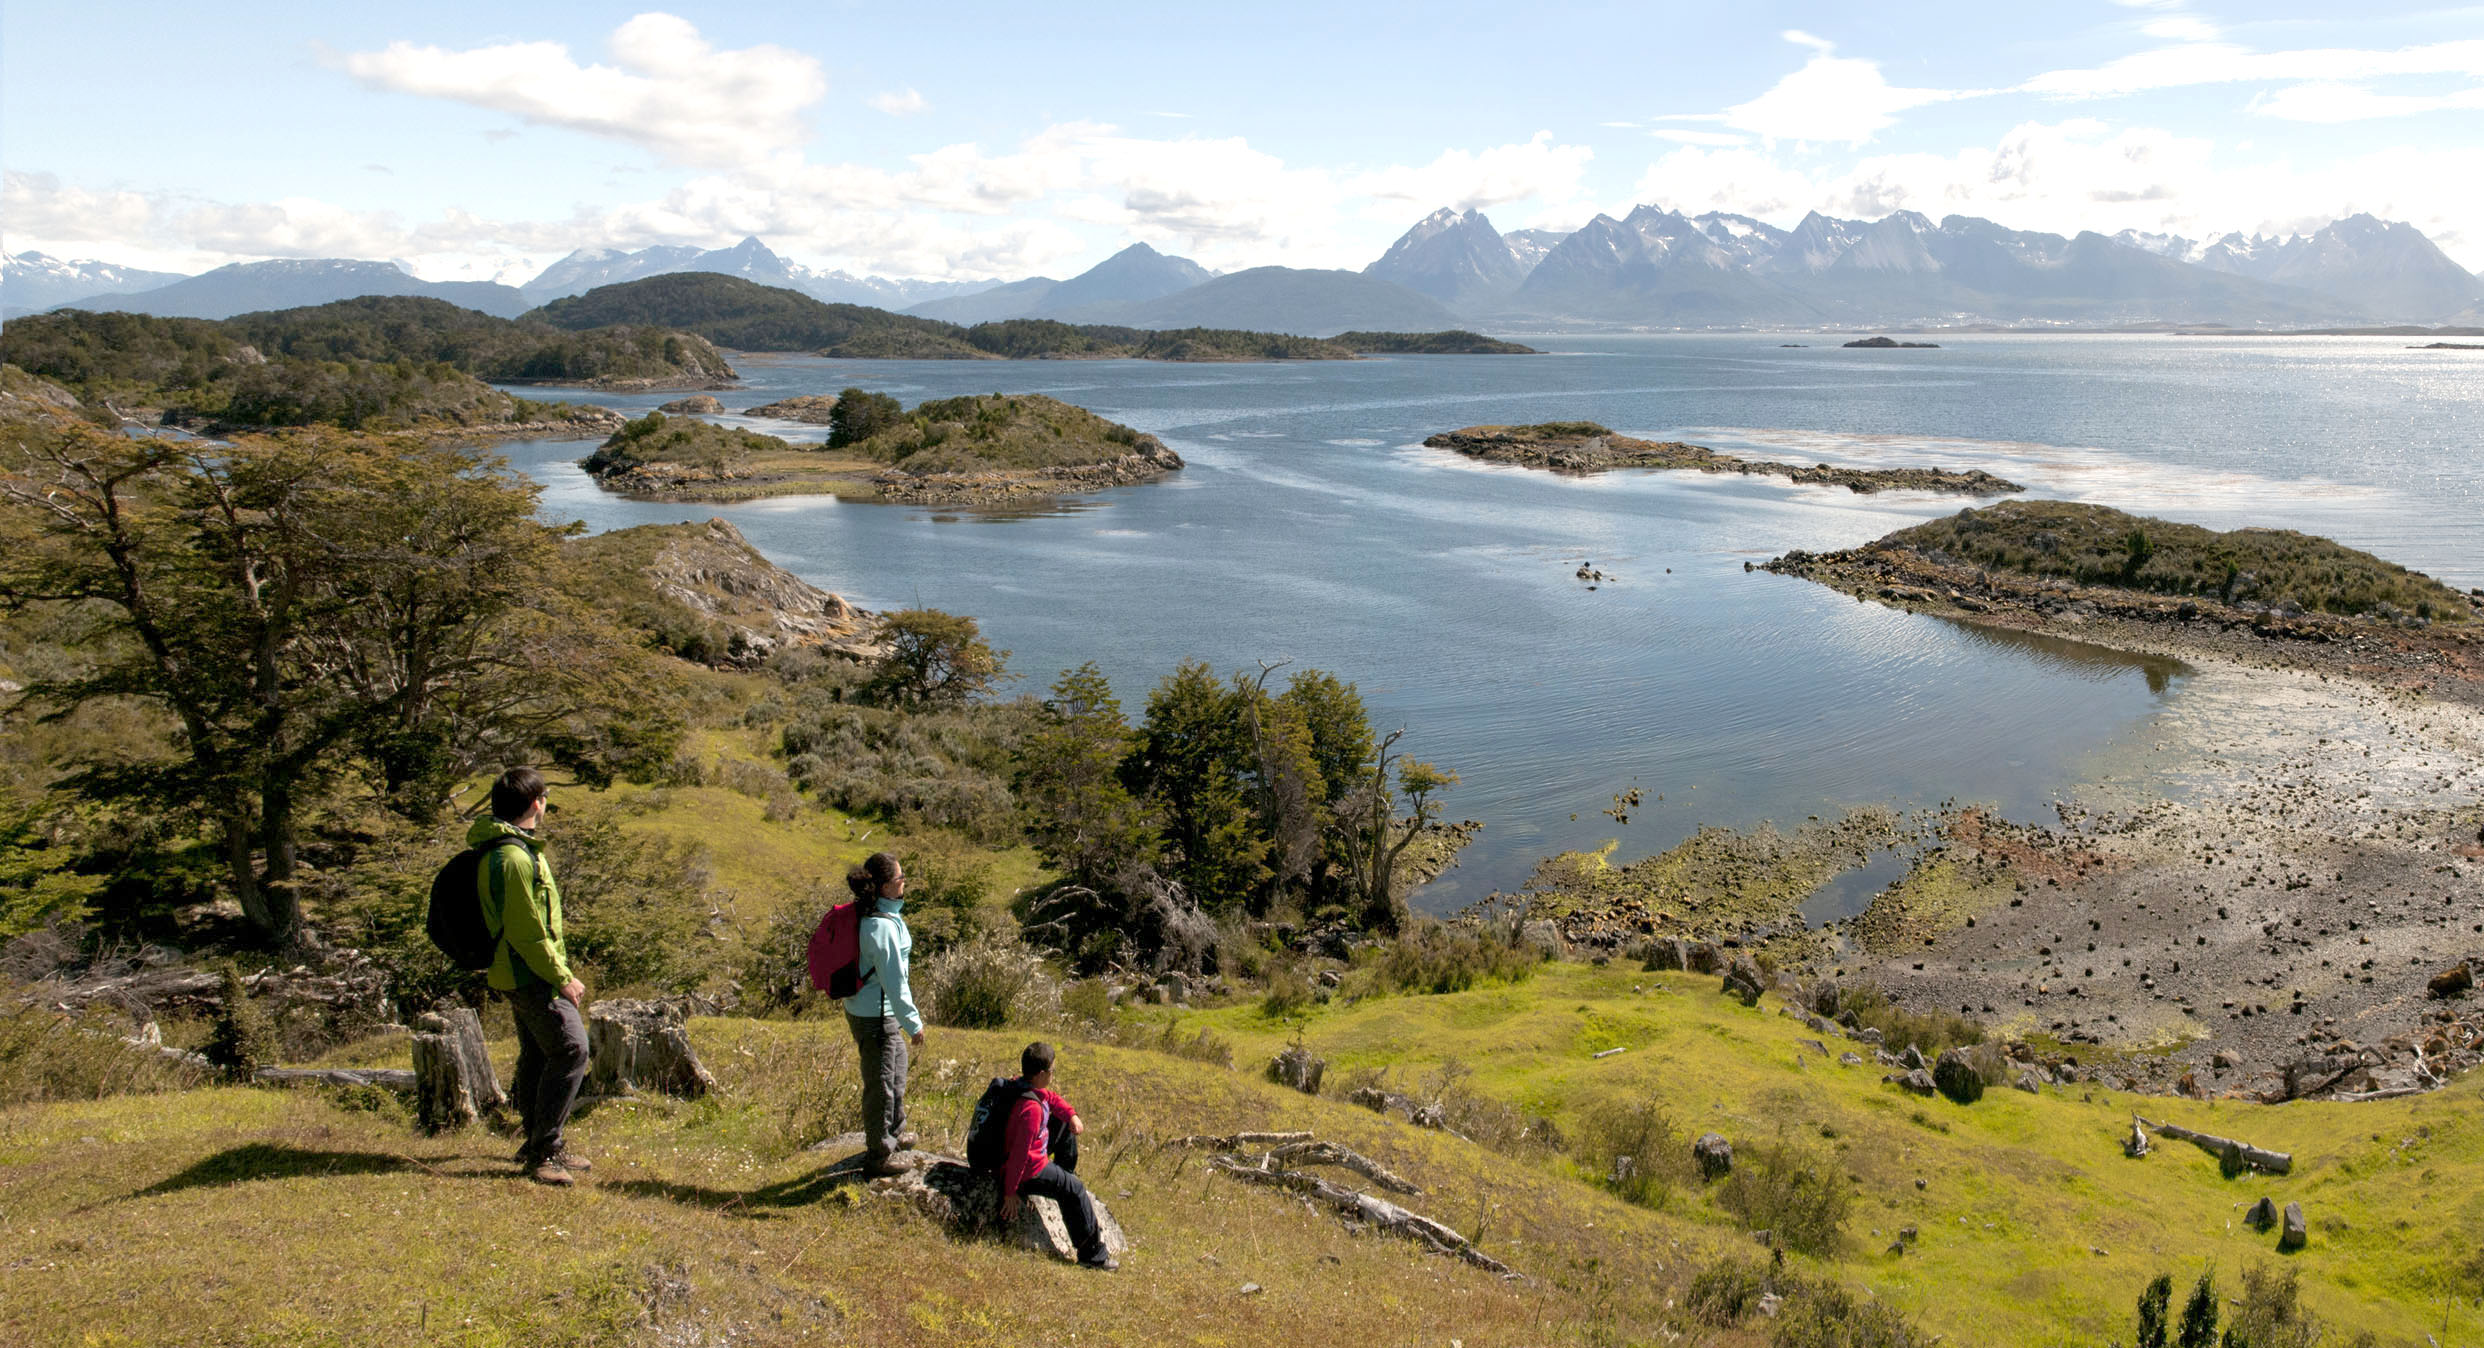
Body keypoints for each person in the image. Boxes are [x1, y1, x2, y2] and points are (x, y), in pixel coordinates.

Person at [472, 766, 591, 1186]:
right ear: (537, 802)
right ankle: (543, 1152)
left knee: (540, 1054)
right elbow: (527, 930)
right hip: (530, 973)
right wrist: (563, 977)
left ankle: (537, 1143)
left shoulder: (508, 850)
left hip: (518, 970)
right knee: (573, 1049)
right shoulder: (514, 858)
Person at [999, 1041, 1116, 1271]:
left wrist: (1071, 1115)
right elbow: (1019, 1157)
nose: (1053, 1074)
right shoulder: (1030, 1110)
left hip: (1032, 1158)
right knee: (1075, 1190)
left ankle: (1065, 1177)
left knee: (1062, 1122)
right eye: (1052, 1071)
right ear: (1042, 1074)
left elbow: (1051, 1099)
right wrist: (1010, 1192)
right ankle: (1092, 1255)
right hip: (1030, 1170)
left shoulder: (1021, 1085)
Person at [843, 852, 921, 1176]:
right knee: (881, 1084)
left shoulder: (876, 914)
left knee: (896, 1071)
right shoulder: (881, 927)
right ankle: (878, 1157)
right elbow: (894, 982)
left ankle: (895, 1134)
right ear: (886, 886)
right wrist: (913, 1023)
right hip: (875, 1015)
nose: (905, 883)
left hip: (873, 1010)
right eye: (901, 879)